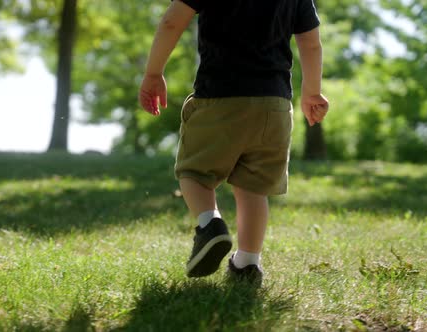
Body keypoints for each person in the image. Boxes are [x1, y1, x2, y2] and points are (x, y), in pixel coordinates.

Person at [138, 0, 329, 283]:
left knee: (194, 174)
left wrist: (154, 73)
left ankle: (209, 225)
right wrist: (312, 92)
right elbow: (311, 43)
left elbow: (171, 22)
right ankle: (247, 264)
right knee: (254, 187)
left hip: (220, 96)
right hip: (274, 106)